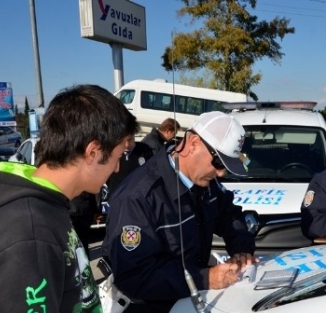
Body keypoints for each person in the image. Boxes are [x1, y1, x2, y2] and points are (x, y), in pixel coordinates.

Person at [0, 84, 139, 312]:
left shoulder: (46, 206)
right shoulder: (29, 232)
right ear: (93, 152)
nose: (117, 167)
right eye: (117, 156)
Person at [102, 111, 256, 313]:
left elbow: (229, 214)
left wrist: (241, 249)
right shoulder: (138, 196)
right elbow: (134, 275)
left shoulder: (207, 183)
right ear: (192, 144)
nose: (221, 173)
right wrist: (205, 278)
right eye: (219, 163)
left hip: (190, 301)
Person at [69, 192, 100, 259]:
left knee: (77, 239)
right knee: (83, 239)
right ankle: (84, 260)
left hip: (75, 209)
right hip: (85, 208)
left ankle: (81, 260)